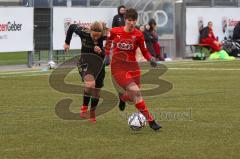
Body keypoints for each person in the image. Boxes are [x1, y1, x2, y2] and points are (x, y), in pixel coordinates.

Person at [105, 8, 161, 131]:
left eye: (134, 20)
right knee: (136, 93)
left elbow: (145, 51)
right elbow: (108, 43)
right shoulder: (115, 31)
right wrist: (106, 56)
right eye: (129, 20)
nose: (131, 22)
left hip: (133, 67)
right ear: (125, 20)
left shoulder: (138, 34)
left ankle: (123, 97)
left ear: (136, 20)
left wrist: (150, 58)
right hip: (118, 67)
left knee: (133, 97)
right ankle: (151, 121)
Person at [64, 21, 107, 123]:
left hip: (99, 65)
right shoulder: (83, 32)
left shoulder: (104, 37)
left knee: (96, 91)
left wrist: (101, 51)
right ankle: (84, 107)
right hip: (85, 63)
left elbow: (106, 55)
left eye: (98, 36)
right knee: (90, 84)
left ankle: (92, 112)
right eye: (94, 35)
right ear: (90, 31)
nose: (96, 38)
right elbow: (71, 27)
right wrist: (67, 42)